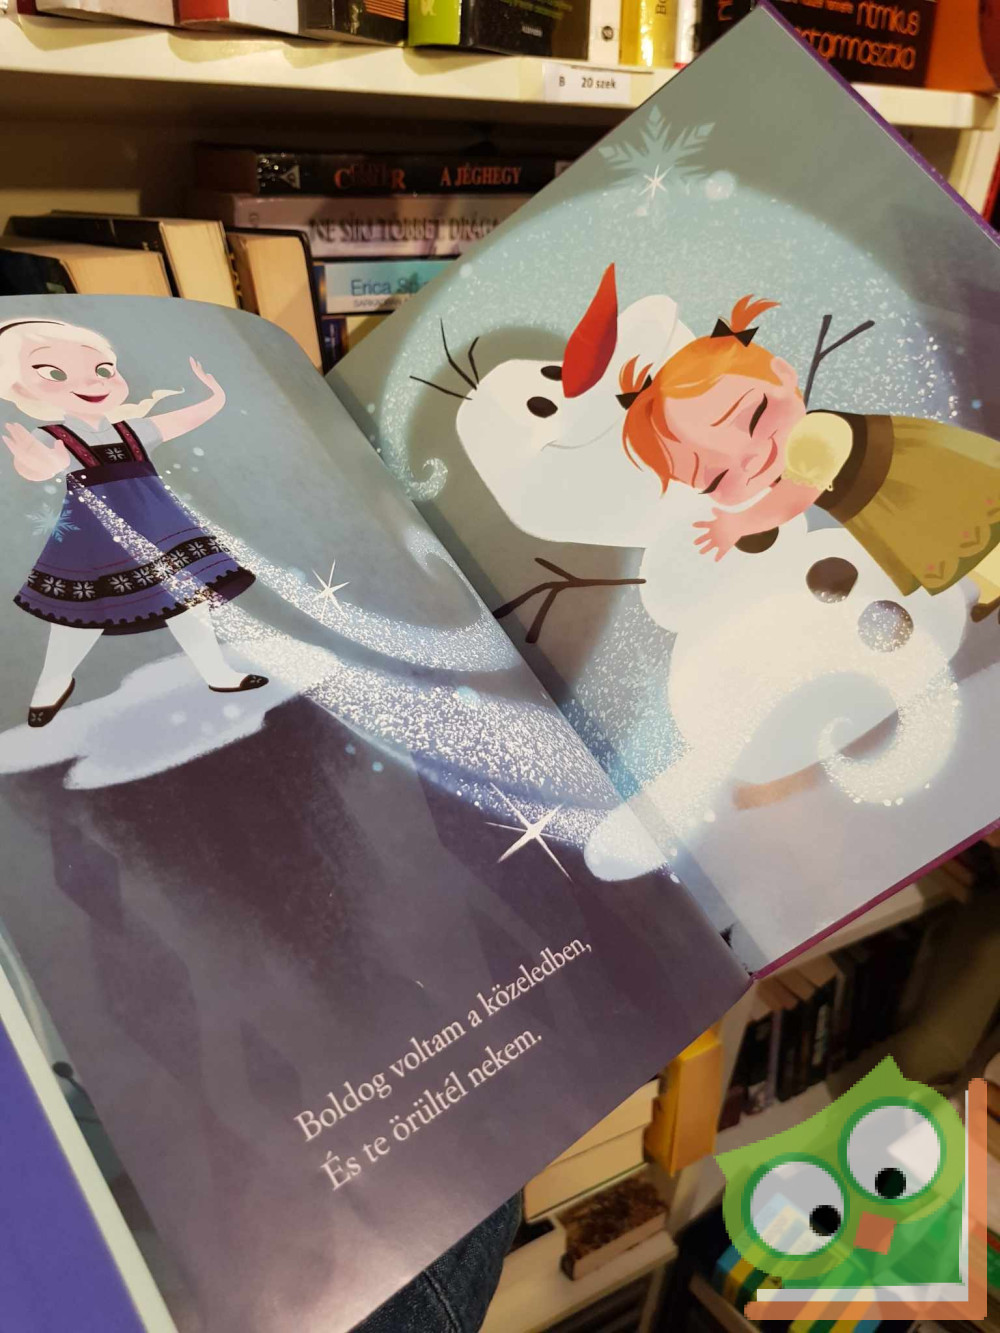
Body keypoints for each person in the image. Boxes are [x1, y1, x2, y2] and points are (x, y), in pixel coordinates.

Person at [619, 295, 1000, 619]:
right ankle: (988, 584)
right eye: (717, 477)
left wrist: (740, 523)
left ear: (782, 375)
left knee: (967, 527)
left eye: (753, 417)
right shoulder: (789, 461)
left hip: (917, 484)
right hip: (890, 507)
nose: (747, 458)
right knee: (947, 542)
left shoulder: (812, 435)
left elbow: (794, 498)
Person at [0, 318, 266, 728]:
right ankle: (53, 683)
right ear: (20, 389)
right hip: (95, 539)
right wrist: (42, 465)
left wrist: (216, 395)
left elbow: (185, 418)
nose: (92, 381)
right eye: (54, 373)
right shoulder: (51, 436)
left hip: (161, 529)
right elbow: (34, 466)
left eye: (103, 369)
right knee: (77, 618)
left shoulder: (134, 430)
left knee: (189, 603)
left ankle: (217, 674)